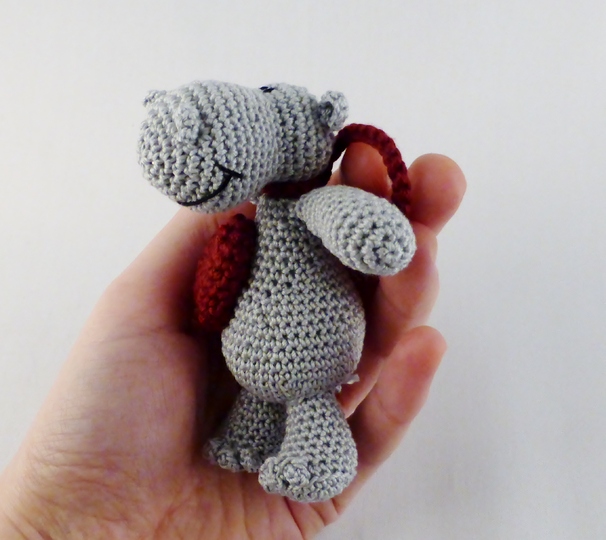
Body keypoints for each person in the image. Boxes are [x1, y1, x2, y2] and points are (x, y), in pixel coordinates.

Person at [0, 146, 465, 539]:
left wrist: (376, 236)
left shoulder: (312, 206)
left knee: (312, 407)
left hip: (314, 371)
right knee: (254, 410)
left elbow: (353, 223)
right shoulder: (250, 224)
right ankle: (250, 435)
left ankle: (318, 462)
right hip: (248, 377)